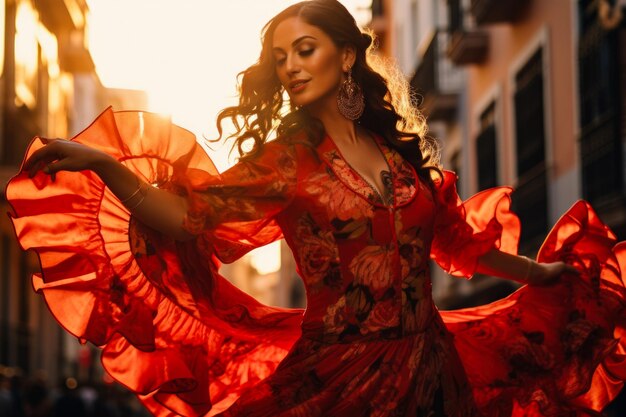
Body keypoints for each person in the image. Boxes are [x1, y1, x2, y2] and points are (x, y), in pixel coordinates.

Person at [6, 0, 626, 416]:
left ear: (347, 55)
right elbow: (183, 219)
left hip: (433, 372)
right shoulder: (285, 163)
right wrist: (106, 165)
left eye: (304, 49)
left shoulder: (402, 157)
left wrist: (542, 275)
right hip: (336, 380)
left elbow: (458, 245)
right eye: (280, 57)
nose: (290, 67)